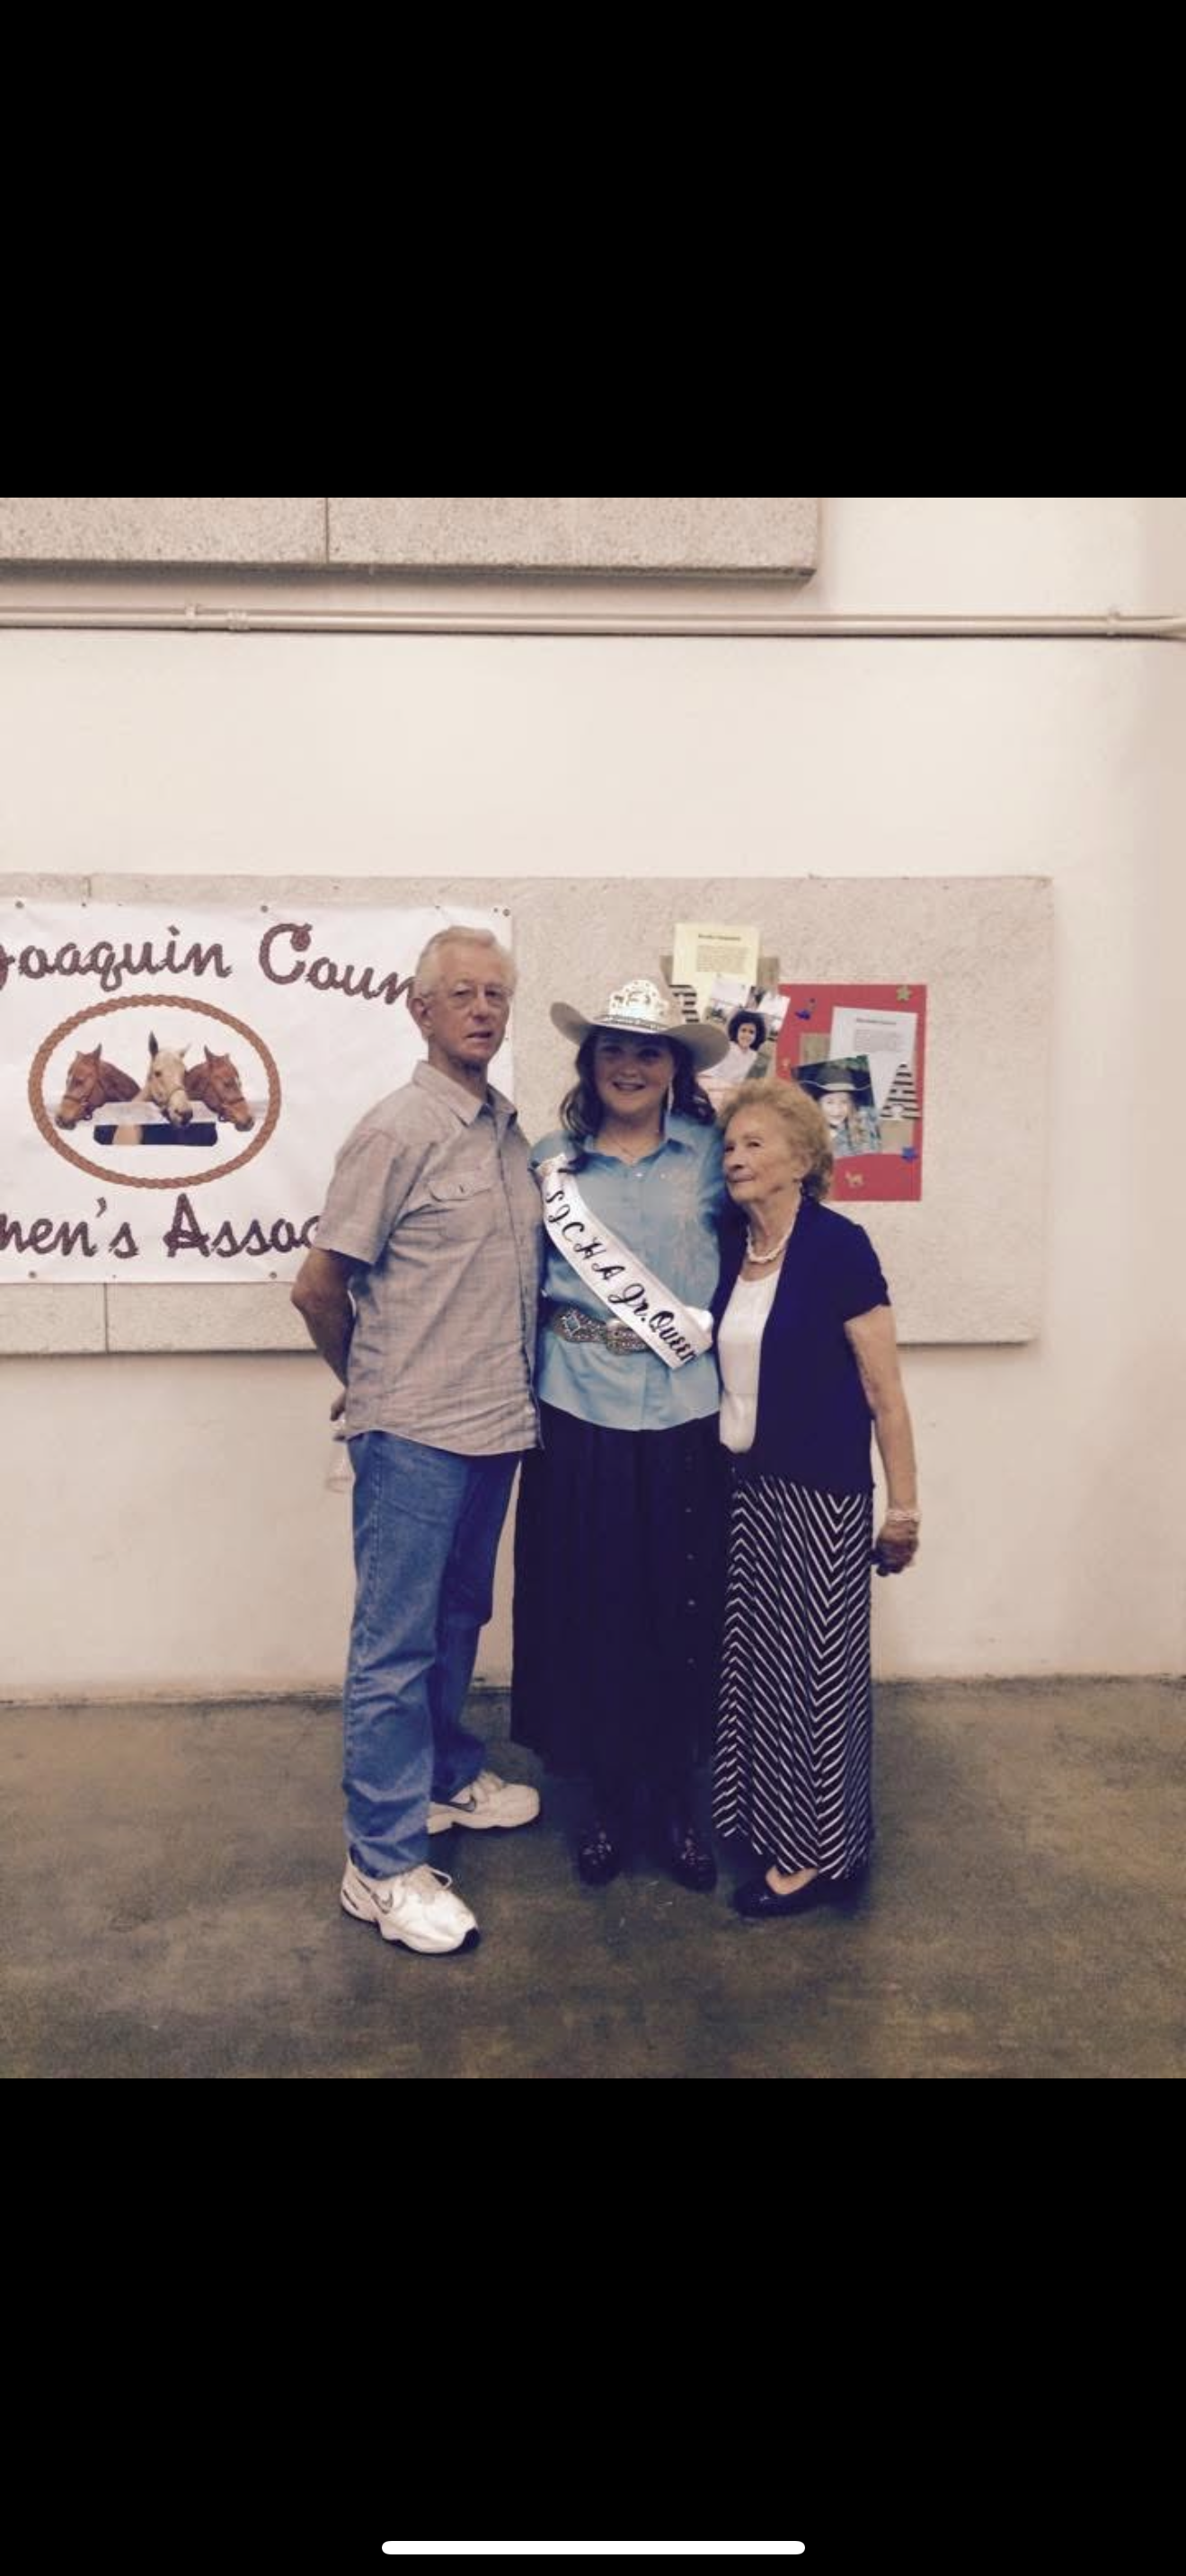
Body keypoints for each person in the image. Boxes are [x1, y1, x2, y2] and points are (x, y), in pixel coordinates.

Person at [291, 926, 544, 1956]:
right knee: (392, 1648)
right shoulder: (398, 1129)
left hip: (495, 1424)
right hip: (414, 1437)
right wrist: (373, 1387)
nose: (482, 1010)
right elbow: (318, 1287)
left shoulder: (505, 1130)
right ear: (421, 1010)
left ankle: (444, 1779)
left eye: (497, 994)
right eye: (462, 995)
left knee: (457, 1618)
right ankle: (382, 1863)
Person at [511, 975, 730, 1890]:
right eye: (614, 1049)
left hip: (686, 1416)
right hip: (579, 1411)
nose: (631, 1066)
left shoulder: (714, 1158)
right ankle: (607, 1796)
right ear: (588, 1063)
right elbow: (503, 1285)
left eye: (649, 1051)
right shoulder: (550, 1165)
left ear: (674, 1068)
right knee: (594, 1610)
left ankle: (675, 1800)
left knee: (680, 1611)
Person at [711, 1075, 919, 1917]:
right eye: (729, 1145)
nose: (735, 1157)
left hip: (818, 1497)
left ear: (803, 1158)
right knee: (756, 1672)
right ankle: (765, 1822)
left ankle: (814, 1853)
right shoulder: (731, 1246)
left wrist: (902, 1509)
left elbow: (885, 1390)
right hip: (744, 1491)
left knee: (813, 1679)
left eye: (756, 1143)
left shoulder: (838, 1246)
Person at [799, 1061, 881, 1156]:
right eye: (830, 1102)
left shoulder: (866, 1121)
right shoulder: (807, 1136)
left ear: (851, 1103)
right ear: (818, 1103)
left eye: (844, 1102)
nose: (837, 1110)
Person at [700, 1006, 769, 1107]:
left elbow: (748, 1082)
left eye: (751, 1032)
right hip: (715, 1084)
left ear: (757, 1035)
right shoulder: (726, 1047)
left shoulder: (753, 1056)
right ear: (736, 1031)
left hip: (735, 1092)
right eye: (743, 1030)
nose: (746, 1035)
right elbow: (710, 1073)